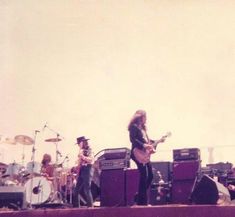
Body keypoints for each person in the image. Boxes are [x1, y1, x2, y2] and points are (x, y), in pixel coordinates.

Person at [128, 110, 165, 205]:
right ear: (140, 117)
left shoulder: (143, 129)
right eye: (145, 117)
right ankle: (142, 201)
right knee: (144, 175)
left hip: (144, 154)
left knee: (150, 176)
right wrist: (144, 145)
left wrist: (158, 141)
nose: (146, 119)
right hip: (137, 153)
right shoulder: (133, 127)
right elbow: (133, 140)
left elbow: (148, 141)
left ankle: (139, 196)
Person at [73, 136, 94, 208]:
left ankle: (90, 207)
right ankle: (76, 208)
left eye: (79, 143)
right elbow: (79, 162)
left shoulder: (89, 149)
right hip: (82, 169)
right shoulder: (81, 150)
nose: (79, 145)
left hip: (88, 168)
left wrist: (82, 156)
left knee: (87, 189)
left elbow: (91, 160)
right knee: (76, 190)